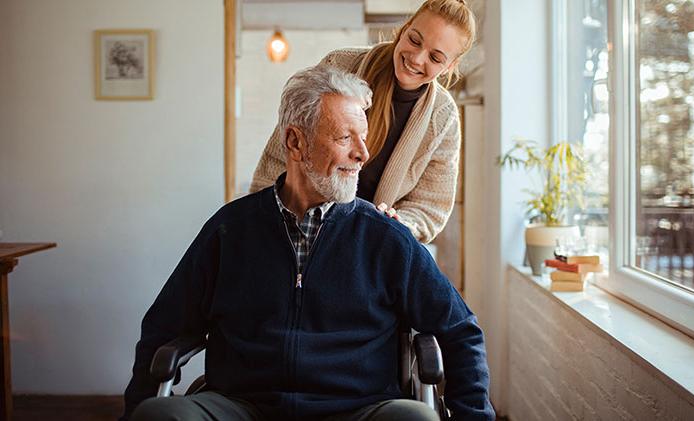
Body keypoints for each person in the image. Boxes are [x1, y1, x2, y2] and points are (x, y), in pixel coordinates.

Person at [120, 66, 494, 421]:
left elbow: (460, 330)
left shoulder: (385, 237)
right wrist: (135, 406)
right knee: (157, 416)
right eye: (346, 138)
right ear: (295, 142)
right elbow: (163, 326)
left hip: (358, 408)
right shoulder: (230, 230)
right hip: (242, 405)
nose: (363, 154)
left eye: (364, 138)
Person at [250, 0, 476, 244]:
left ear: (449, 66)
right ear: (404, 28)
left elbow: (430, 207)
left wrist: (399, 223)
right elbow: (283, 152)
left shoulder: (443, 118)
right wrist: (260, 217)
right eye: (414, 40)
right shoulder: (339, 65)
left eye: (435, 57)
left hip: (370, 245)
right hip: (299, 228)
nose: (417, 58)